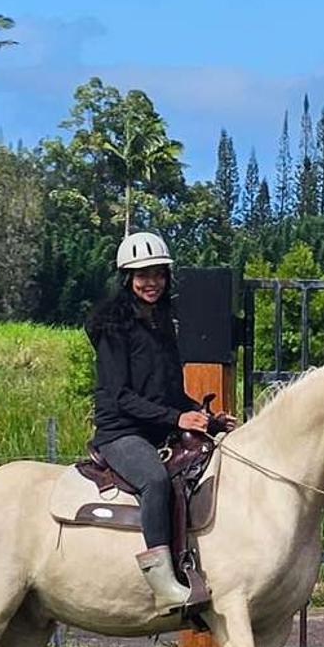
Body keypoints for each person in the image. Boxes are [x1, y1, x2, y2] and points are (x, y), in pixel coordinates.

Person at [87, 231, 234, 613]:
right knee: (154, 479)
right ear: (127, 279)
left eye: (158, 274)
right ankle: (164, 583)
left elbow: (169, 391)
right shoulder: (112, 327)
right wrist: (176, 417)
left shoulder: (163, 322)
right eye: (142, 275)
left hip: (159, 428)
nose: (151, 282)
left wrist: (205, 419)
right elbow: (120, 395)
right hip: (121, 431)